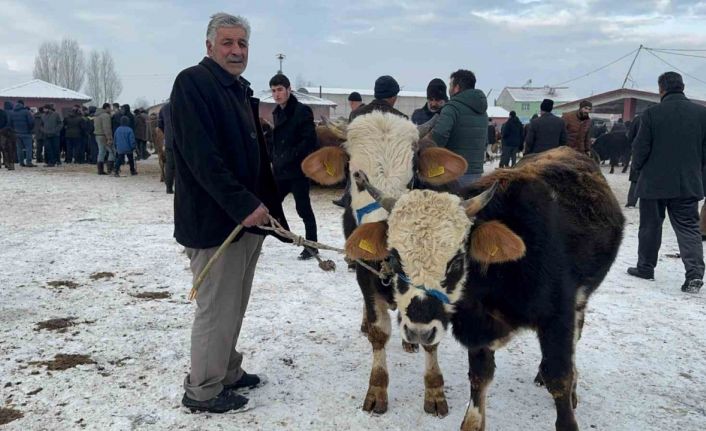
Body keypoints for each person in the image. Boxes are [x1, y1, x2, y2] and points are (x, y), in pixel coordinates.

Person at [170, 12, 289, 413]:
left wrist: (264, 209)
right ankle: (202, 389)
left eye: (242, 44)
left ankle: (227, 369)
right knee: (217, 307)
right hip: (215, 222)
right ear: (209, 46)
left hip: (248, 221)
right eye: (228, 43)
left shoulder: (237, 89)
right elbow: (202, 158)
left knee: (234, 303)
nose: (236, 51)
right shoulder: (193, 84)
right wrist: (242, 205)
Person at [627, 72, 706, 294]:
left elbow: (640, 148)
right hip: (687, 183)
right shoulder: (702, 114)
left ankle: (645, 268)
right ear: (682, 87)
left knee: (650, 226)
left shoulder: (651, 114)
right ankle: (694, 274)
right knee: (689, 228)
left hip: (654, 182)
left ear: (661, 89)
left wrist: (638, 169)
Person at [269, 73, 319, 260]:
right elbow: (276, 142)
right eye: (274, 91)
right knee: (270, 205)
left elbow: (309, 142)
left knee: (303, 209)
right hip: (280, 172)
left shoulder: (302, 111)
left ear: (289, 90)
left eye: (280, 90)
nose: (277, 94)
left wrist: (287, 157)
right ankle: (258, 240)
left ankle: (312, 246)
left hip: (297, 171)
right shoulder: (276, 112)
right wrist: (274, 158)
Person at [430, 69, 488, 186]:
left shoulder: (451, 108)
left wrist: (427, 149)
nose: (449, 89)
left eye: (450, 85)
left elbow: (439, 135)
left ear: (456, 87)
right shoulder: (483, 112)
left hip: (453, 173)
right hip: (476, 173)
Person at [8, 100, 35, 167]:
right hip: (26, 133)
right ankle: (28, 162)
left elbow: (10, 123)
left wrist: (14, 131)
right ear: (23, 104)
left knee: (19, 148)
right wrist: (30, 129)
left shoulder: (12, 112)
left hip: (16, 133)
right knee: (29, 148)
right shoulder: (26, 112)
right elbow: (31, 122)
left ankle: (21, 162)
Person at [158, 101, 175, 194]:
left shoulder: (164, 108)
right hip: (183, 140)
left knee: (169, 164)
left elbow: (160, 125)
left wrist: (167, 132)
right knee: (183, 164)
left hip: (169, 140)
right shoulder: (186, 105)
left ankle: (169, 188)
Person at [94, 103, 115, 175]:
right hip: (104, 136)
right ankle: (110, 169)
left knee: (101, 152)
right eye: (110, 108)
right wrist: (109, 138)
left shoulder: (97, 115)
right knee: (112, 152)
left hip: (97, 135)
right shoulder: (105, 116)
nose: (110, 109)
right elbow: (107, 128)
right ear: (107, 108)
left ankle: (100, 170)